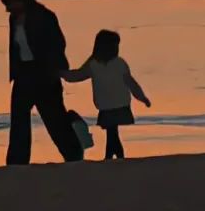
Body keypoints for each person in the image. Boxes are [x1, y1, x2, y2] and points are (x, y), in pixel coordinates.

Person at [1, 0, 84, 166]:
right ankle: (17, 161)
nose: (8, 9)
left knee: (54, 118)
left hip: (45, 74)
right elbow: (14, 48)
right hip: (23, 74)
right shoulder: (14, 19)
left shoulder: (44, 16)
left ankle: (73, 154)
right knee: (19, 119)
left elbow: (58, 44)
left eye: (10, 3)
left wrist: (56, 70)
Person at [64, 30, 151, 160]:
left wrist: (142, 97)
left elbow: (131, 83)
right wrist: (62, 74)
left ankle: (112, 157)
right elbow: (76, 76)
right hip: (112, 105)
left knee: (112, 132)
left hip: (112, 105)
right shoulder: (100, 64)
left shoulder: (108, 63)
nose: (116, 49)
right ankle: (114, 157)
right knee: (112, 132)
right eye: (114, 46)